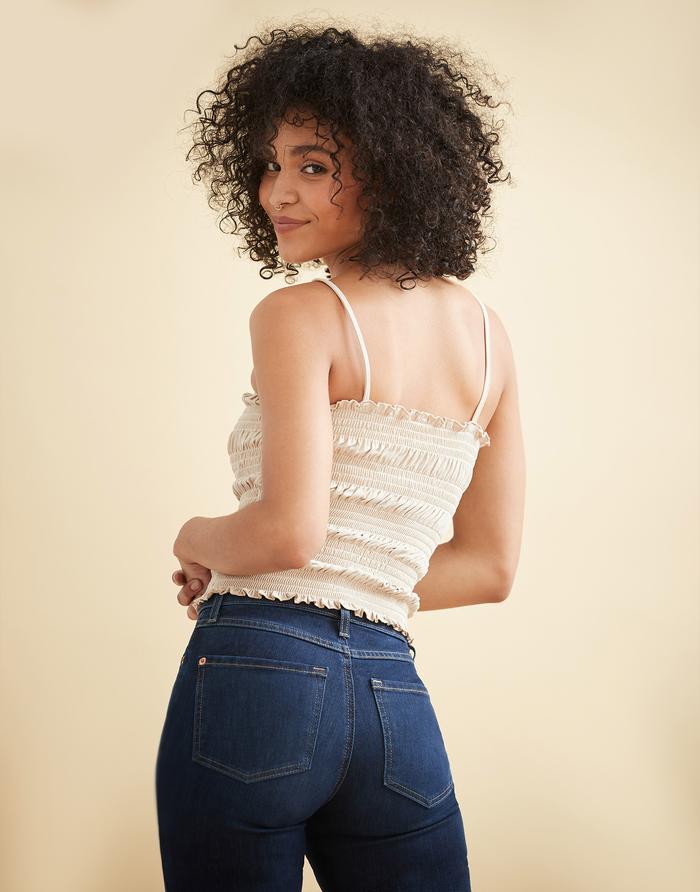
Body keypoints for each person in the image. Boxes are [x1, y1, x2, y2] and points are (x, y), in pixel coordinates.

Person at [155, 21, 525, 892]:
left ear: (394, 171)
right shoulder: (489, 338)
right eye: (270, 164)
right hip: (392, 694)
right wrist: (357, 587)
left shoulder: (301, 315)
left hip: (259, 676)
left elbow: (287, 533)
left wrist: (196, 536)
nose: (277, 191)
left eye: (314, 166)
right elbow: (490, 567)